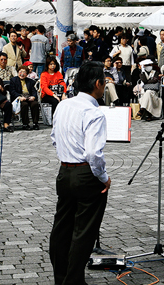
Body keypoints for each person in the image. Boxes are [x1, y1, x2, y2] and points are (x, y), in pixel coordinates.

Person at [49, 61, 111, 285]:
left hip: (64, 171)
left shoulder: (64, 105)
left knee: (62, 229)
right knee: (83, 233)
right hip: (85, 175)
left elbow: (54, 138)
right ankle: (73, 281)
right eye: (104, 83)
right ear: (97, 84)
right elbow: (94, 154)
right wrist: (104, 178)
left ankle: (61, 277)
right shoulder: (94, 112)